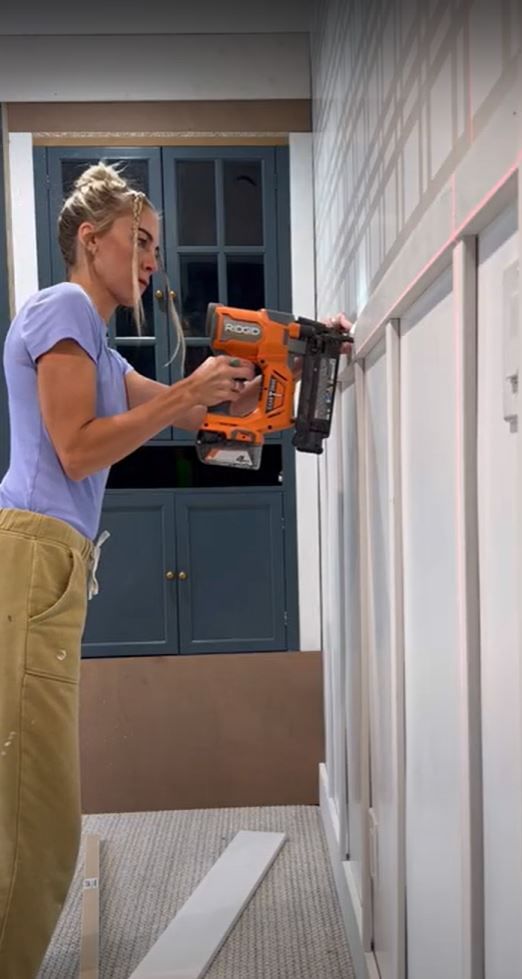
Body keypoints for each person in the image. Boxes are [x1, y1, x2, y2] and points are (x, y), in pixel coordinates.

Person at [0, 163, 259, 978]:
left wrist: (289, 362)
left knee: (31, 802)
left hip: (50, 560)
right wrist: (185, 393)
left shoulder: (104, 354)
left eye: (155, 247)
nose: (152, 261)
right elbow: (77, 449)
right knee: (36, 816)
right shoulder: (64, 307)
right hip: (33, 554)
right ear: (91, 239)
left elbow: (197, 410)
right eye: (139, 241)